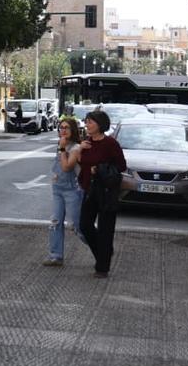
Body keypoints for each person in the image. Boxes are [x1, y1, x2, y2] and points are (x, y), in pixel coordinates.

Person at [78, 110, 127, 277]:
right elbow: (80, 163)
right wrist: (79, 148)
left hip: (106, 191)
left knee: (106, 229)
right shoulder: (86, 142)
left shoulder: (110, 143)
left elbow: (121, 166)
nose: (87, 124)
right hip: (89, 190)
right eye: (86, 121)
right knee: (84, 225)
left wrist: (99, 169)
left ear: (100, 124)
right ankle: (103, 252)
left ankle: (102, 268)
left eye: (90, 122)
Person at [43, 116, 84, 267]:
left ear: (73, 130)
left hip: (73, 190)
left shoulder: (75, 148)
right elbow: (59, 166)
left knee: (77, 225)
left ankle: (98, 246)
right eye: (61, 127)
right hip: (58, 189)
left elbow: (67, 167)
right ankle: (55, 256)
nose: (63, 130)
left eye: (66, 128)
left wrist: (62, 148)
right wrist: (55, 176)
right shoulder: (61, 144)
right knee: (55, 221)